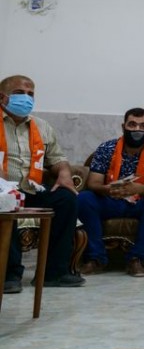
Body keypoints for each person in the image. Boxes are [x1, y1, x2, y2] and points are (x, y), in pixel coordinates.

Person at [1, 75, 83, 292]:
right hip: (2, 191)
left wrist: (64, 173)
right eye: (19, 93)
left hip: (30, 188)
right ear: (2, 96)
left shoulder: (41, 126)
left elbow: (57, 159)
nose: (26, 98)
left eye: (31, 94)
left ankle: (54, 273)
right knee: (4, 203)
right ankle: (9, 275)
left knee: (66, 198)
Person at [77, 108, 144, 277]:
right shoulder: (107, 148)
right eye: (132, 124)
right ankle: (96, 259)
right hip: (111, 199)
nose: (137, 130)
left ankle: (136, 259)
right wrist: (108, 189)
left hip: (141, 202)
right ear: (123, 126)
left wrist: (138, 189)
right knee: (84, 198)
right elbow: (93, 182)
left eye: (142, 126)